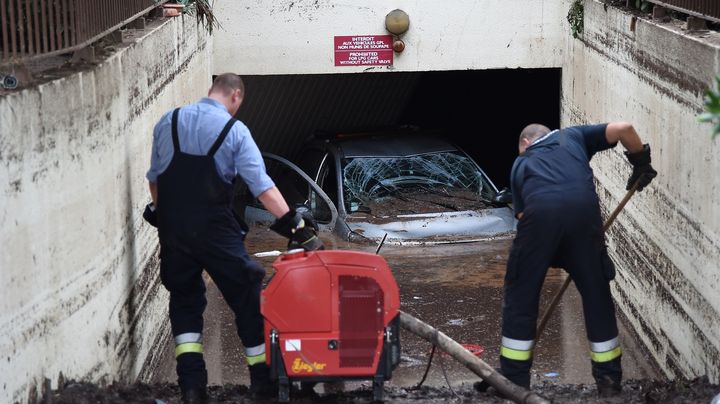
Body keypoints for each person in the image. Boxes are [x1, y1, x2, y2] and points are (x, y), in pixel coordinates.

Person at [143, 73, 324, 404]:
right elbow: (262, 186)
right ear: (235, 97)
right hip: (216, 230)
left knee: (184, 302)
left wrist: (161, 213)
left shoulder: (168, 122)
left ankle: (192, 388)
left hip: (174, 231)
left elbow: (155, 180)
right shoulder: (234, 131)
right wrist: (294, 226)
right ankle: (261, 383)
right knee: (247, 296)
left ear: (211, 91)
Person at [490, 122, 657, 397]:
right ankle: (609, 381)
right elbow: (624, 128)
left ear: (526, 144)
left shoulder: (521, 164)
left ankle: (514, 381)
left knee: (521, 294)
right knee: (596, 295)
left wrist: (548, 254)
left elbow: (523, 218)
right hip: (583, 215)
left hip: (540, 219)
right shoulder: (574, 136)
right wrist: (641, 162)